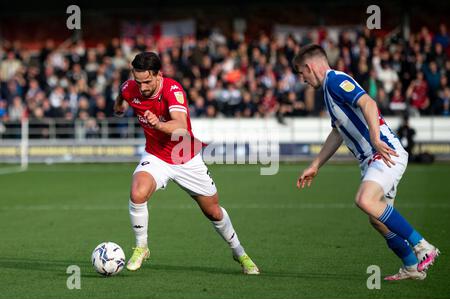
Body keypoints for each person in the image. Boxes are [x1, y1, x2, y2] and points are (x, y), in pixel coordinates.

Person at [293, 44, 439, 281]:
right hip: (373, 158)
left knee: (364, 200)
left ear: (310, 67)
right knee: (377, 219)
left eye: (301, 73)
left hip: (383, 153)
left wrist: (374, 136)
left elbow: (368, 103)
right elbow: (338, 132)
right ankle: (412, 267)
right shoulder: (329, 92)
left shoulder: (335, 81)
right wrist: (316, 164)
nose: (302, 80)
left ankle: (423, 247)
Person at [114, 52, 259, 274]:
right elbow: (123, 92)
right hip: (156, 156)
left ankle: (239, 252)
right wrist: (120, 106)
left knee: (213, 212)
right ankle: (141, 247)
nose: (142, 87)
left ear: (158, 75)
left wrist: (159, 125)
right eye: (138, 81)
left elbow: (181, 126)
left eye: (147, 82)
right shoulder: (131, 86)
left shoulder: (173, 90)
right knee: (137, 193)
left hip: (185, 157)